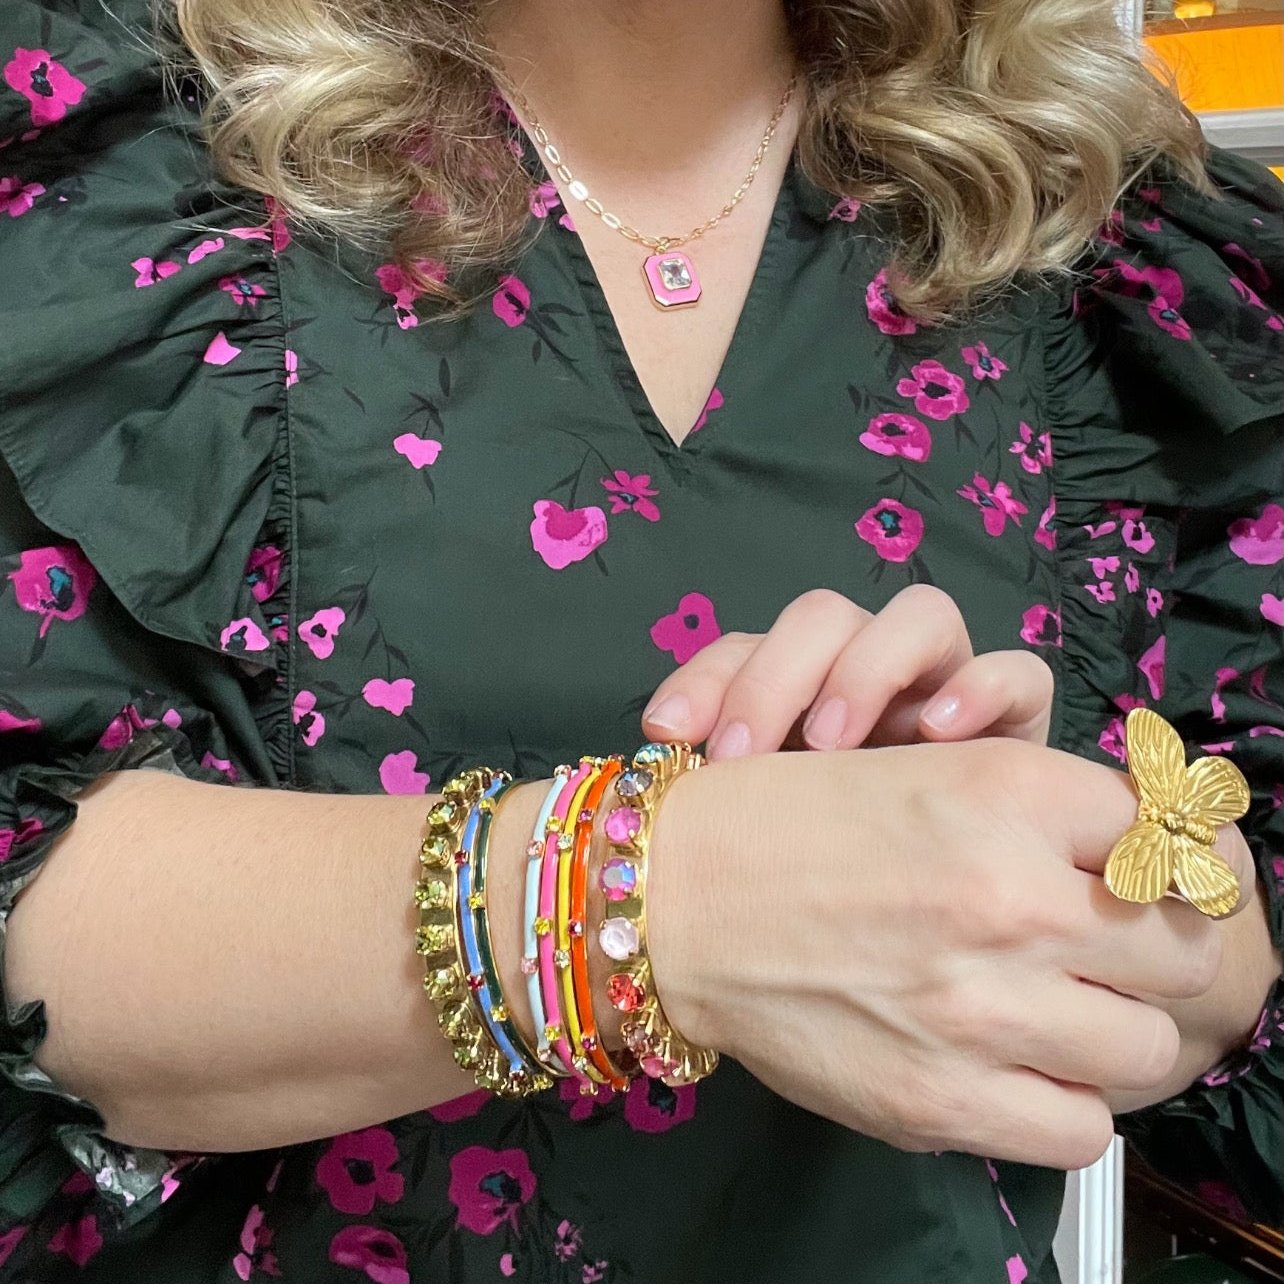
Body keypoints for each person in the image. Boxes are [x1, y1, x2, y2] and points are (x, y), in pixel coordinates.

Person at [0, 0, 1282, 1278]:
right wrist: (663, 899)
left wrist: (1057, 857)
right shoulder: (105, 158)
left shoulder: (1094, 214)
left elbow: (1235, 959)